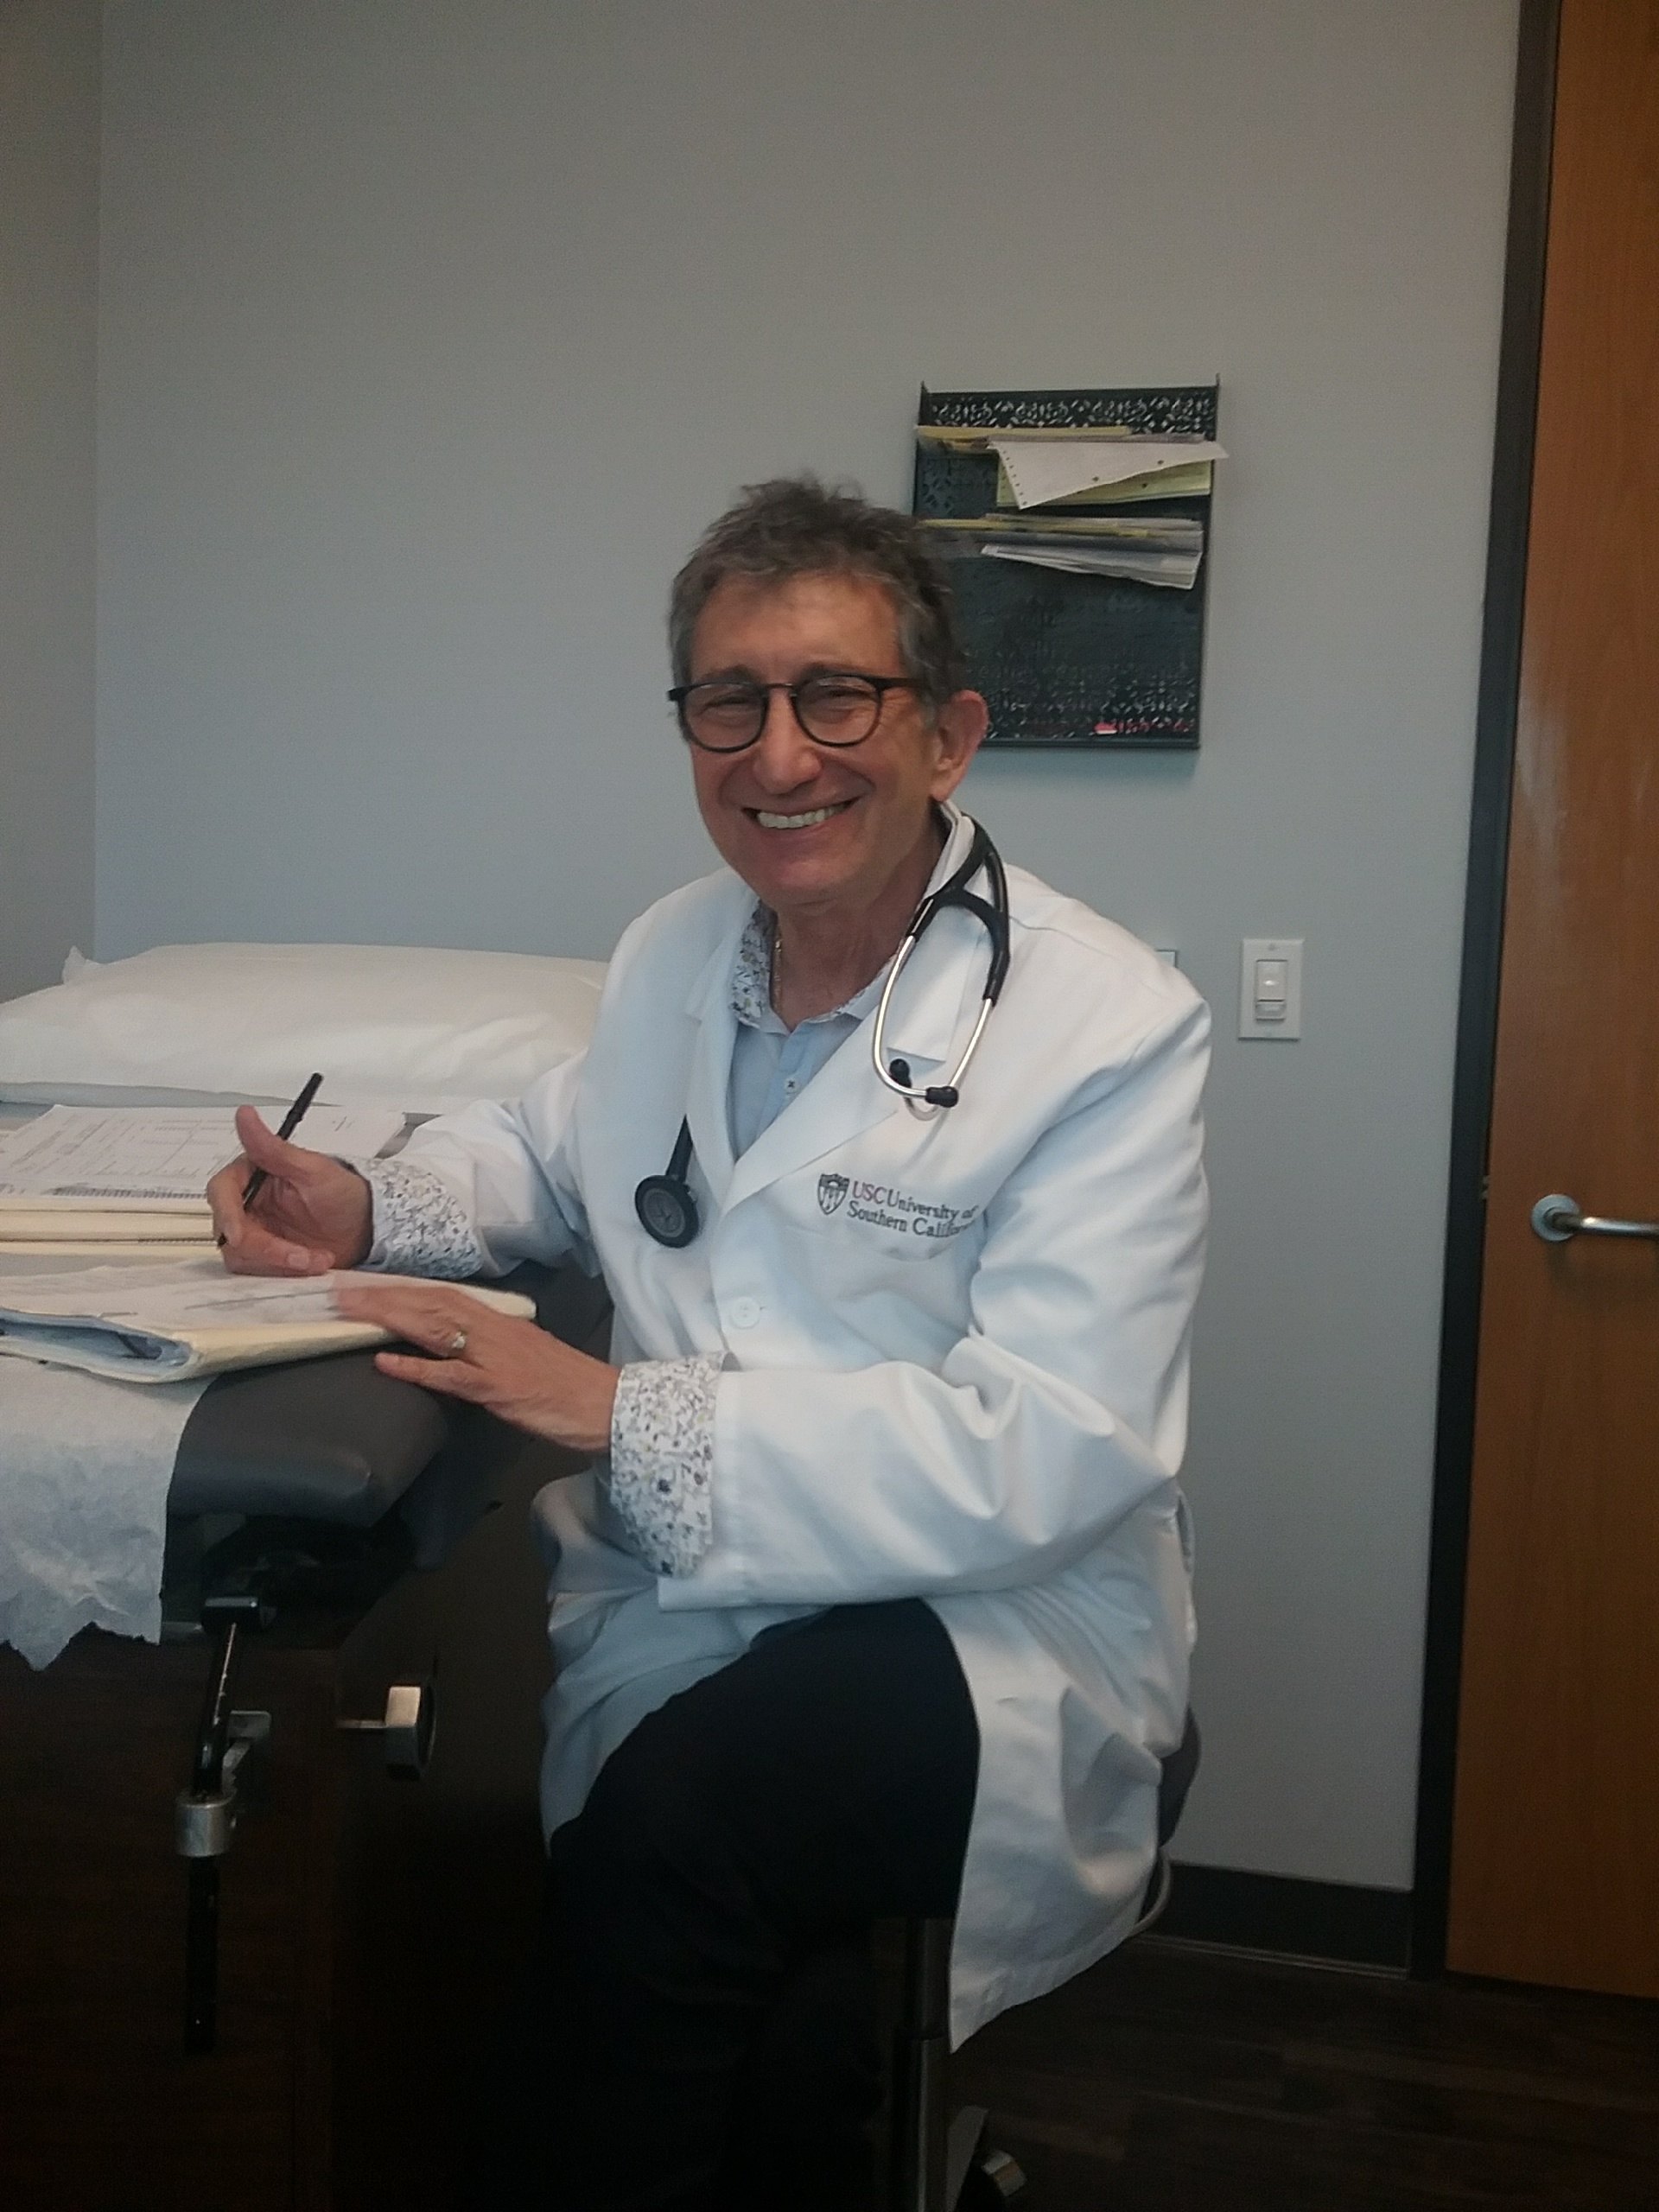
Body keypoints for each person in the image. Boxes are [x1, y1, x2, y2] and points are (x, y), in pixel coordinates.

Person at [207, 478, 1209, 2210]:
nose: (780, 753)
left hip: (989, 1614)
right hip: (711, 1593)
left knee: (677, 1834)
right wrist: (365, 1204)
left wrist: (622, 1413)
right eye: (729, 701)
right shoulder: (676, 948)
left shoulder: (1107, 1025)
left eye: (839, 696)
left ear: (949, 734)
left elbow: (1057, 1444)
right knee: (785, 2034)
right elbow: (549, 1150)